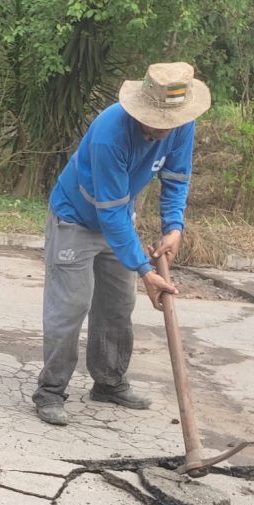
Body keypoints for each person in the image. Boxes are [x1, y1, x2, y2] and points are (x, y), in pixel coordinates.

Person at [33, 62, 211, 426]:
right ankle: (50, 391)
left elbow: (177, 178)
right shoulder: (109, 133)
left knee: (118, 305)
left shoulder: (181, 124)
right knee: (71, 305)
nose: (161, 128)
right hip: (76, 219)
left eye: (168, 121)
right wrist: (145, 269)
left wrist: (174, 227)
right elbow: (109, 214)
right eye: (154, 120)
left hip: (118, 218)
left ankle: (109, 383)